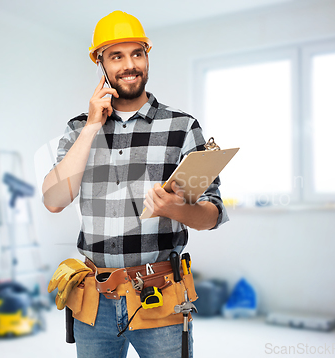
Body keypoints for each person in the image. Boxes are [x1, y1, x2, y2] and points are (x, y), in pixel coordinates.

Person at [42, 10, 229, 358]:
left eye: (137, 53)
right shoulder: (78, 129)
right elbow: (53, 200)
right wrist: (91, 127)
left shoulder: (182, 127)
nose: (130, 65)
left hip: (160, 299)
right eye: (116, 56)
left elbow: (212, 215)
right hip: (94, 302)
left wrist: (174, 207)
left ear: (146, 56)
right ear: (101, 64)